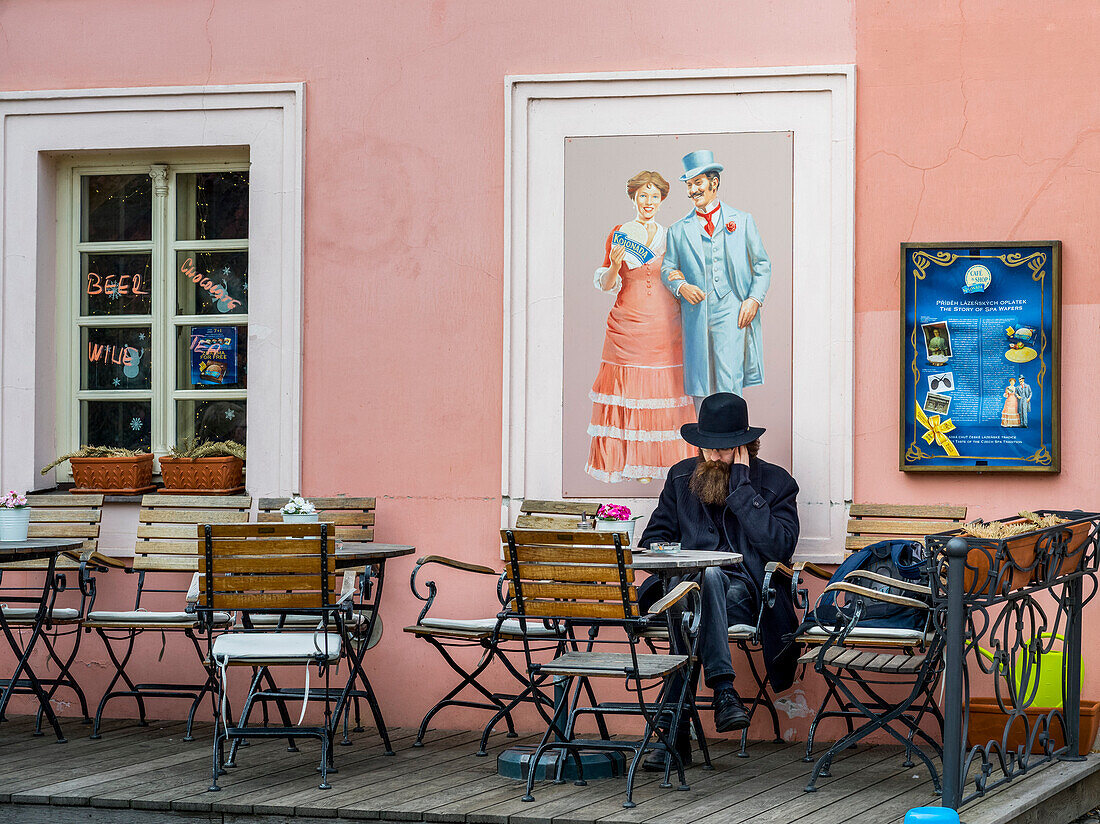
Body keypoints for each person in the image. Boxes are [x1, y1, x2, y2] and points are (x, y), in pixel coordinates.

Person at [638, 392, 799, 768]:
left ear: (745, 448)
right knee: (698, 586)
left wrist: (742, 489)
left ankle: (670, 727)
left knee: (708, 582)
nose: (712, 456)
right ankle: (723, 690)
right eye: (706, 448)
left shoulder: (776, 483)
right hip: (679, 592)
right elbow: (652, 542)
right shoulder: (680, 476)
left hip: (743, 593)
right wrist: (676, 555)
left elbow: (780, 547)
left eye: (724, 450)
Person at [585, 171, 697, 483]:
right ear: (633, 198)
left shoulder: (671, 236)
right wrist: (613, 263)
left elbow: (681, 277)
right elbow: (607, 283)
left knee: (664, 391)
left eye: (654, 196)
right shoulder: (619, 233)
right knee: (629, 390)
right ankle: (633, 463)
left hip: (665, 325)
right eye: (642, 196)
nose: (648, 202)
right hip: (627, 324)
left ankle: (660, 464)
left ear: (662, 200)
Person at [662, 151, 771, 406]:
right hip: (696, 313)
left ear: (714, 182)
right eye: (689, 185)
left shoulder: (742, 221)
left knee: (729, 378)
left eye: (697, 183)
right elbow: (667, 268)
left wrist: (754, 299)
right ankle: (705, 444)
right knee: (700, 382)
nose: (692, 191)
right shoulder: (678, 230)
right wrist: (681, 285)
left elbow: (762, 264)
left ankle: (732, 442)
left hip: (731, 309)